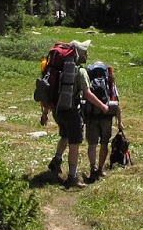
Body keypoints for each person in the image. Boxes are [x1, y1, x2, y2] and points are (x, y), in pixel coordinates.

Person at [40, 39, 110, 187]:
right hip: (71, 111)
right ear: (80, 54)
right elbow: (87, 94)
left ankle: (57, 160)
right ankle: (72, 177)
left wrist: (45, 112)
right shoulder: (80, 71)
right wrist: (103, 106)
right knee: (74, 144)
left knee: (65, 135)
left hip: (58, 110)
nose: (87, 54)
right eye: (85, 52)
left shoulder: (60, 68)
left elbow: (51, 90)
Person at [83, 61, 123, 180]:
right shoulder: (109, 81)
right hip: (106, 117)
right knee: (104, 143)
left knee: (92, 144)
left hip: (91, 116)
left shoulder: (89, 80)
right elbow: (116, 101)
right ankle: (100, 169)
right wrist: (119, 121)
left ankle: (93, 167)